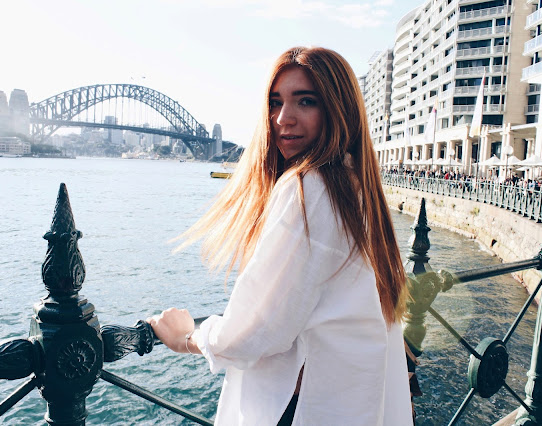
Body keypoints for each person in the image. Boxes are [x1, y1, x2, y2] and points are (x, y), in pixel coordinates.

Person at [148, 46, 412, 425]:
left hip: (301, 407)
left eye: (306, 101)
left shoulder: (307, 187)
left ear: (338, 109)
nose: (283, 118)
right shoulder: (357, 186)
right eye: (275, 102)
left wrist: (187, 339)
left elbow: (258, 329)